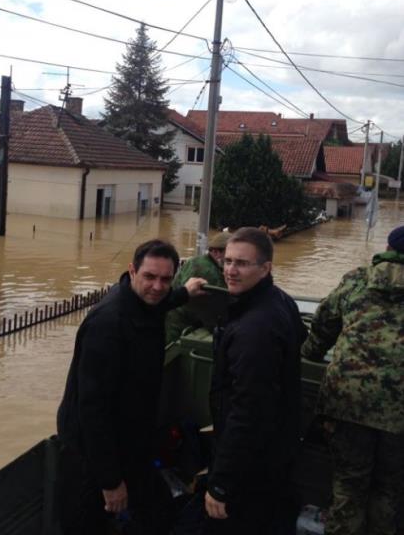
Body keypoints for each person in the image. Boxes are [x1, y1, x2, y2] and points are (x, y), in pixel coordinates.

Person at [56, 239, 207, 535]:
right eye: (150, 277)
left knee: (158, 513)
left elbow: (161, 299)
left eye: (166, 279)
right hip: (93, 454)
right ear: (132, 271)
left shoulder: (144, 302)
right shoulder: (109, 325)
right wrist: (110, 482)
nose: (158, 286)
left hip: (130, 440)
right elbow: (92, 409)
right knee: (88, 524)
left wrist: (185, 293)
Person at [301, 225, 404, 535]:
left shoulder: (357, 280)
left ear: (388, 246)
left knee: (348, 483)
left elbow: (323, 323)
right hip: (398, 413)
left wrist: (311, 352)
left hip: (347, 402)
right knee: (389, 487)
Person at [204, 227, 307, 534]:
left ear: (266, 268)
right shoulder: (280, 301)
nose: (231, 271)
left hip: (250, 466)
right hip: (276, 451)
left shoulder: (254, 330)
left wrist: (221, 482)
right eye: (228, 261)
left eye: (242, 264)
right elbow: (301, 337)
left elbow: (247, 412)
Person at [165, 231, 231, 344]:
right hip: (178, 328)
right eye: (229, 256)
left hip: (179, 324)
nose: (232, 260)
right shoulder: (205, 269)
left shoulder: (204, 263)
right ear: (216, 252)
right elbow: (211, 310)